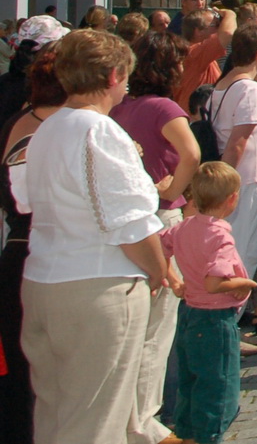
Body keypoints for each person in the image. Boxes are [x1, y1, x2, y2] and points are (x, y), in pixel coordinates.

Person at [19, 29, 171, 444]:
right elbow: (129, 222)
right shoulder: (98, 130)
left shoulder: (47, 128)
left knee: (55, 416)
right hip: (96, 285)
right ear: (113, 76)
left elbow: (26, 199)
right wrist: (159, 270)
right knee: (96, 423)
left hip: (45, 280)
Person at [111, 30, 200, 433]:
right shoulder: (164, 107)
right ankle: (145, 422)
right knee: (158, 329)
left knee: (139, 328)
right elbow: (192, 154)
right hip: (161, 216)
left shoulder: (122, 108)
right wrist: (173, 189)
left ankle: (133, 418)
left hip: (131, 221)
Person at [0, 45, 68, 442]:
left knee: (28, 372)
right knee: (37, 374)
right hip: (37, 252)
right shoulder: (45, 129)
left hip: (24, 251)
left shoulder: (23, 121)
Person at [162, 161, 254, 444]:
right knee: (218, 388)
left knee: (191, 383)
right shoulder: (219, 236)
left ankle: (187, 435)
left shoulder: (184, 227)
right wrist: (244, 284)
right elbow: (214, 282)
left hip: (189, 313)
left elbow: (158, 246)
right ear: (232, 199)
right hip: (215, 318)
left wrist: (174, 281)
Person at [208, 23, 257, 333]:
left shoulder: (224, 84)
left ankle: (227, 321)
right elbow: (239, 141)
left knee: (235, 249)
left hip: (246, 177)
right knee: (242, 251)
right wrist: (226, 185)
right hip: (244, 180)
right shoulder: (249, 88)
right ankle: (226, 324)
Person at [176, 8, 233, 110]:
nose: (219, 28)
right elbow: (227, 33)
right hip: (192, 116)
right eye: (216, 25)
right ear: (198, 31)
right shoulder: (194, 53)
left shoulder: (203, 55)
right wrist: (230, 14)